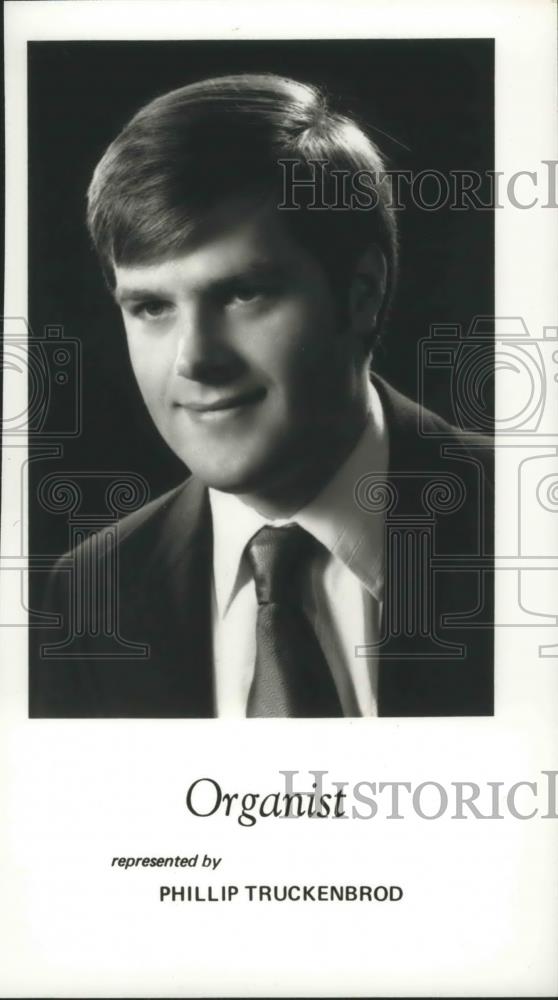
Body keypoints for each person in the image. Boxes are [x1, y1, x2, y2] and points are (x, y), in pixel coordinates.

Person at [30, 73, 493, 719]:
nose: (194, 359)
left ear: (361, 292)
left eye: (243, 293)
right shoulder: (83, 597)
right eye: (151, 306)